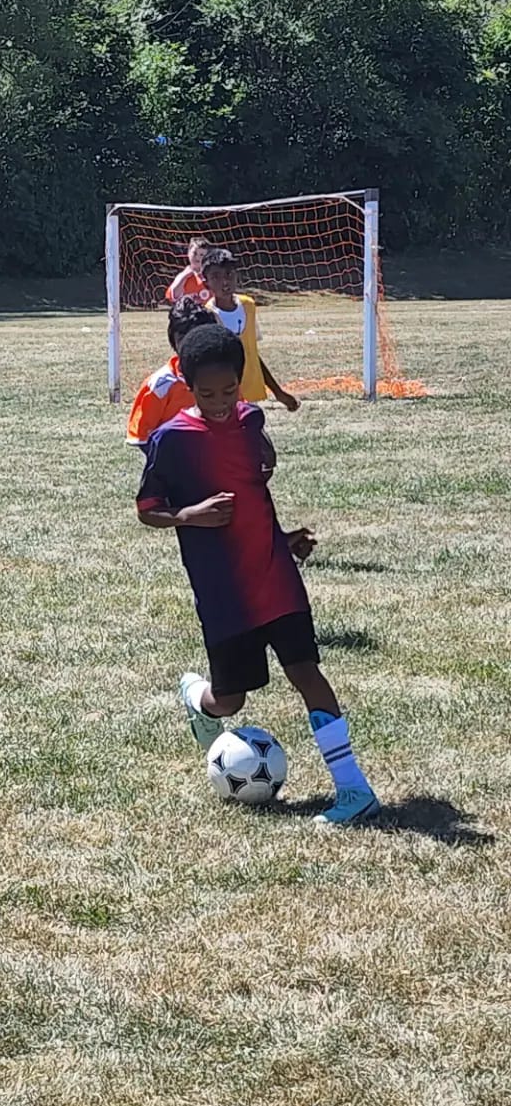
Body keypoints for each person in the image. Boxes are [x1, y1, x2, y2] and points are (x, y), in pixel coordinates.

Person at [135, 324, 379, 826]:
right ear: (186, 383)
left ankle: (354, 789)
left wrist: (283, 537)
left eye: (229, 390)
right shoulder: (172, 440)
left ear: (242, 383)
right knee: (231, 698)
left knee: (306, 672)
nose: (221, 402)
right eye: (208, 393)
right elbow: (147, 508)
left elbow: (254, 496)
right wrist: (189, 514)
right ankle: (197, 698)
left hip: (276, 576)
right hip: (225, 591)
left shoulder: (251, 423)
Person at [198, 247, 300, 413]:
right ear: (206, 283)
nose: (224, 282)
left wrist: (278, 392)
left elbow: (251, 352)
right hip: (225, 398)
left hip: (250, 392)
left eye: (229, 275)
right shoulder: (207, 315)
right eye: (216, 277)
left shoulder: (248, 306)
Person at [126, 297, 216, 446]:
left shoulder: (223, 379)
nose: (189, 345)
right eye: (183, 338)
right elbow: (141, 437)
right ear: (173, 339)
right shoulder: (160, 385)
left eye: (196, 337)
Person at [166, 236, 213, 305]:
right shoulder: (183, 275)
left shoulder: (212, 275)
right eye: (194, 253)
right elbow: (173, 296)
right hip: (189, 313)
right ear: (188, 253)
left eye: (201, 255)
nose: (197, 257)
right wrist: (184, 277)